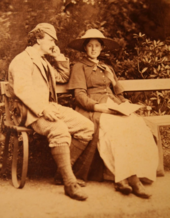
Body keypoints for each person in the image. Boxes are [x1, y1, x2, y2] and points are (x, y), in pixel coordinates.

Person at [68, 29, 159, 199]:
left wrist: (114, 81)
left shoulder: (106, 67)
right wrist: (97, 107)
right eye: (90, 46)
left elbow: (118, 94)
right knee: (118, 129)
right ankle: (130, 180)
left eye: (97, 46)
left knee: (137, 124)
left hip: (113, 105)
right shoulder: (79, 66)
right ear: (85, 48)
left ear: (102, 48)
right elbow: (79, 95)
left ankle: (126, 177)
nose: (94, 49)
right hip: (94, 108)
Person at [8, 23, 95, 201]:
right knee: (59, 129)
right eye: (50, 40)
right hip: (27, 112)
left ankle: (61, 174)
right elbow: (22, 90)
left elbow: (63, 77)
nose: (54, 44)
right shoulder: (22, 60)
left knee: (87, 127)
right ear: (38, 39)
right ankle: (70, 183)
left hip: (47, 107)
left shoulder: (43, 61)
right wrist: (42, 109)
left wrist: (58, 56)